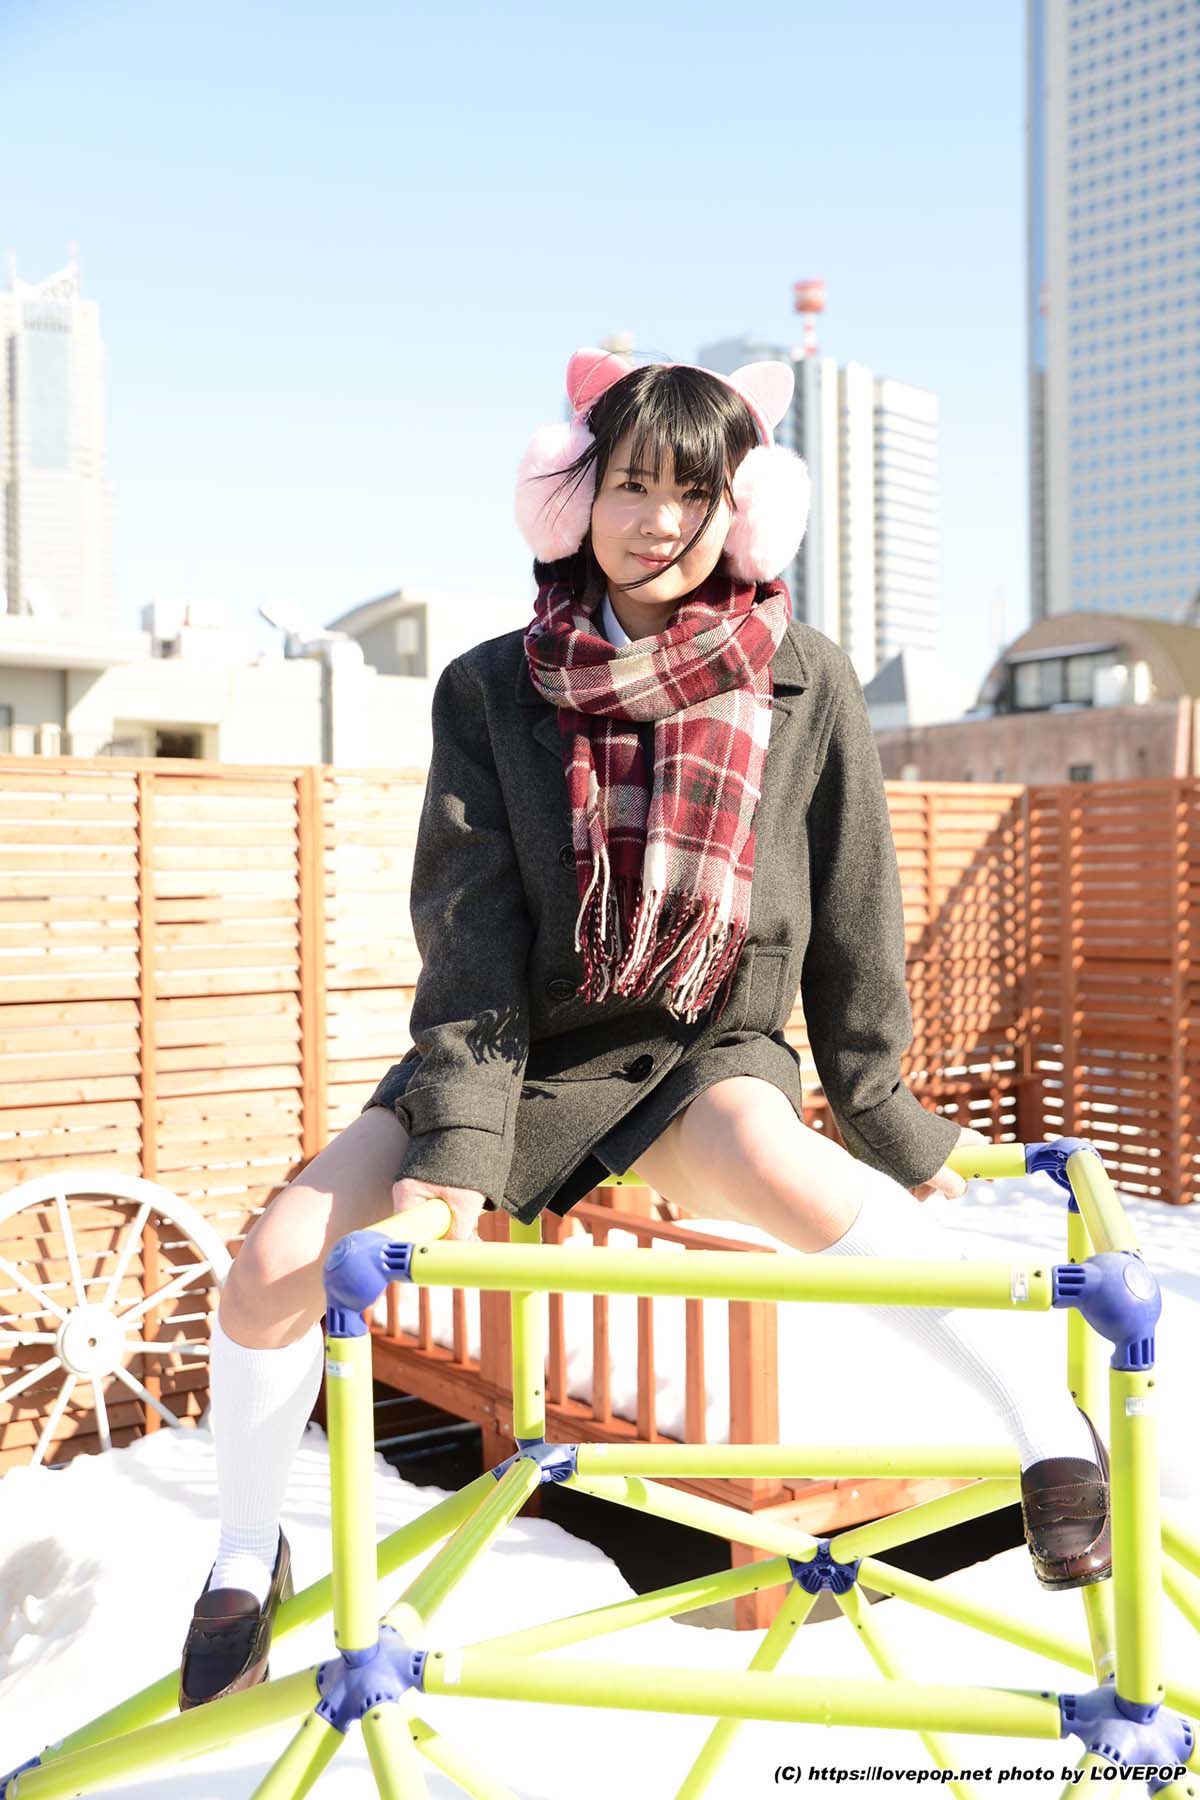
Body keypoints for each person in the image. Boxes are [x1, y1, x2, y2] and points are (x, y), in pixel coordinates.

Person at [178, 347, 1110, 1711]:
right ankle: (238, 1554)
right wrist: (454, 1157)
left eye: (693, 492)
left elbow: (856, 909)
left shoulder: (805, 676)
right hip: (515, 1052)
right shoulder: (491, 685)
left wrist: (884, 1114)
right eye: (630, 485)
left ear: (740, 509)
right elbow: (469, 936)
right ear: (576, 497)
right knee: (274, 1257)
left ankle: (1043, 1422)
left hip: (701, 1043)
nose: (658, 521)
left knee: (785, 1167)